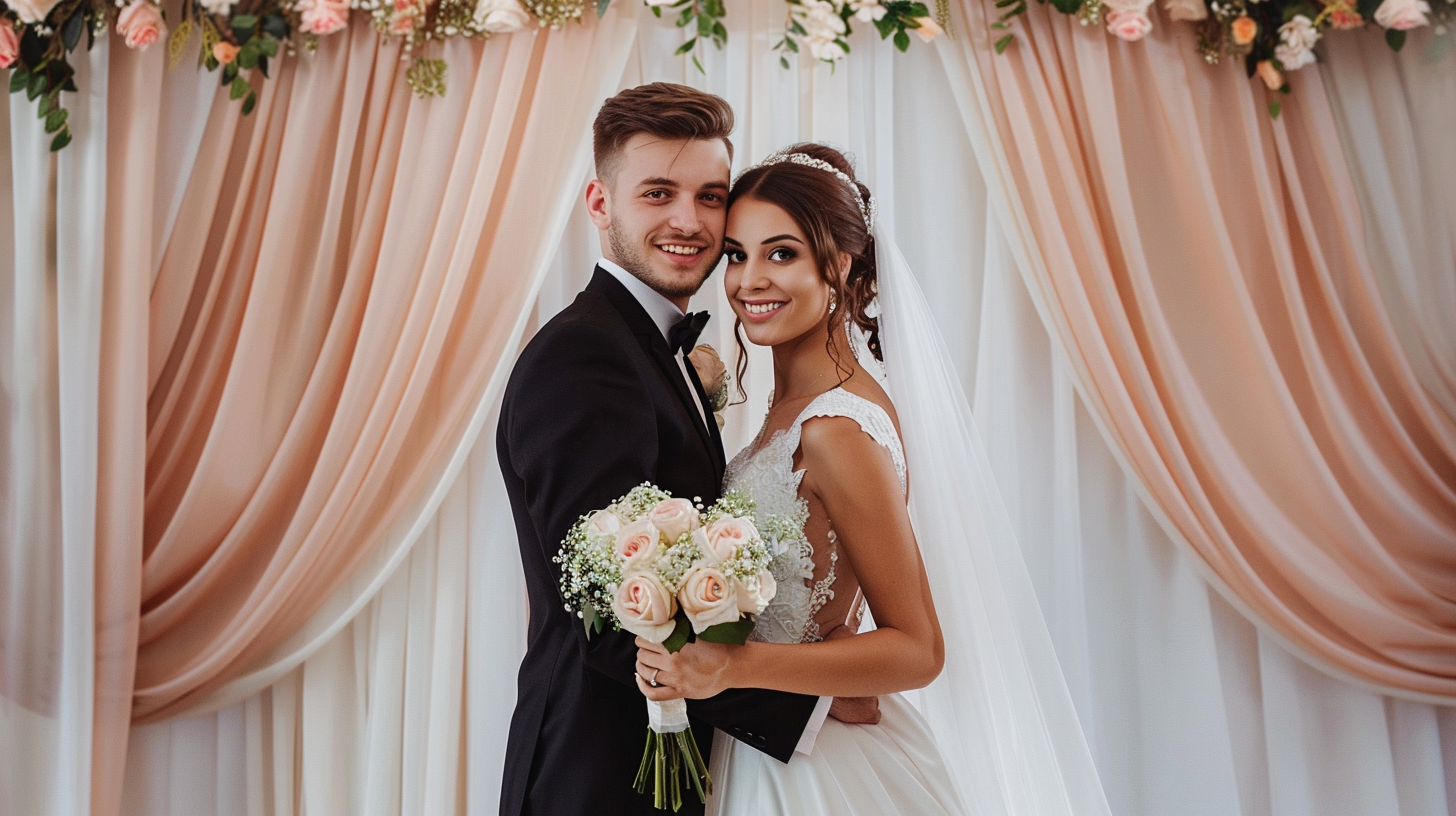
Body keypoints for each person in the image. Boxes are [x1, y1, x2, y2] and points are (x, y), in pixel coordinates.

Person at [634, 144, 1113, 816]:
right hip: (761, 741)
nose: (748, 281)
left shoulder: (837, 430)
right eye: (737, 254)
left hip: (811, 775)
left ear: (839, 263)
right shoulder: (790, 404)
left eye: (782, 253)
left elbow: (917, 649)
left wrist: (735, 668)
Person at [495, 85, 829, 816]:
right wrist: (811, 709)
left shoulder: (650, 346)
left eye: (710, 196)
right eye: (657, 193)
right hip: (598, 773)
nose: (689, 221)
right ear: (599, 203)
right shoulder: (584, 357)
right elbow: (608, 611)